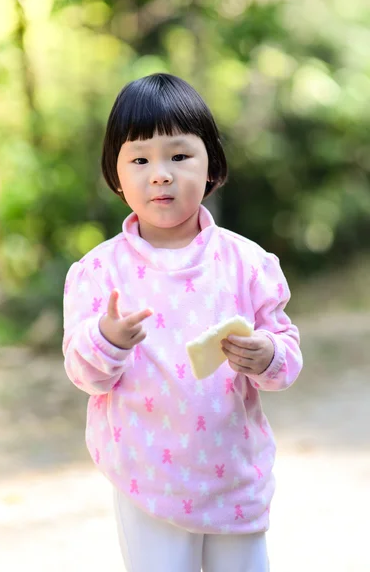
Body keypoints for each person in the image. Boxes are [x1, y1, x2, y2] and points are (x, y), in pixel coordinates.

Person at [62, 73, 303, 572]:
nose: (161, 174)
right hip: (145, 477)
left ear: (211, 163)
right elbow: (85, 375)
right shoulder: (98, 273)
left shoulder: (246, 263)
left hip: (233, 473)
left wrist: (268, 354)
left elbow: (286, 361)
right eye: (140, 159)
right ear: (116, 173)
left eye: (179, 156)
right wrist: (107, 340)